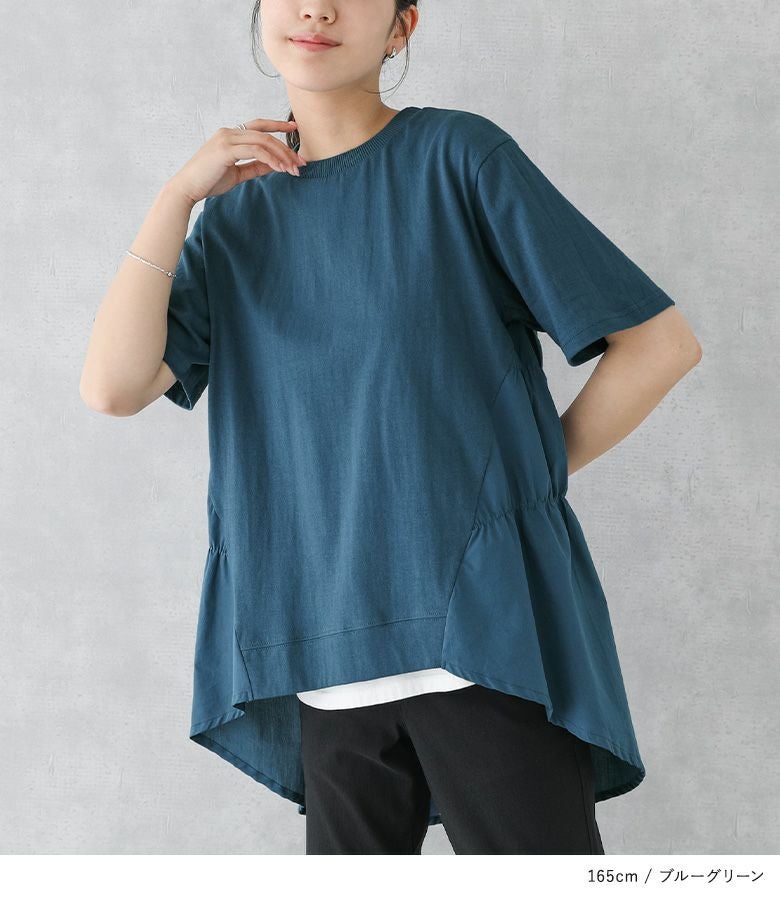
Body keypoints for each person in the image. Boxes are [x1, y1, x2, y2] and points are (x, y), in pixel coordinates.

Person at [80, 0, 702, 855]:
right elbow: (113, 387)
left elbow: (659, 344)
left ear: (401, 28)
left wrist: (509, 485)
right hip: (321, 657)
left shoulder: (457, 158)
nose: (317, 8)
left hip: (477, 644)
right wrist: (176, 197)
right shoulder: (233, 219)